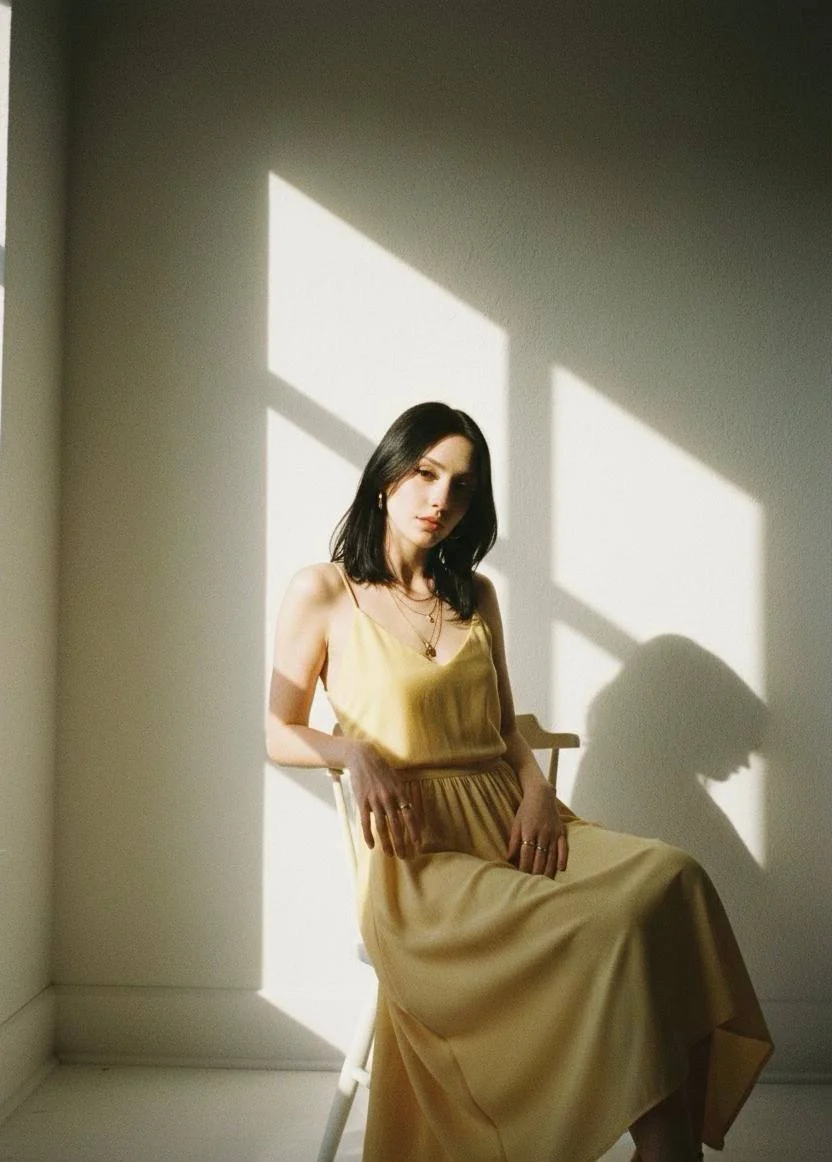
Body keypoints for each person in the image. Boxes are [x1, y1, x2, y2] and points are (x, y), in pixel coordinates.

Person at [267, 401, 773, 1162]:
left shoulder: (474, 594)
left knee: (677, 876)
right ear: (385, 478)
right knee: (610, 927)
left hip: (514, 820)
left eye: (462, 485)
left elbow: (506, 726)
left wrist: (537, 794)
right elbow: (277, 730)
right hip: (420, 860)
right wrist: (353, 754)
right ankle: (666, 1146)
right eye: (425, 473)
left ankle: (667, 1143)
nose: (441, 498)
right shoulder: (324, 591)